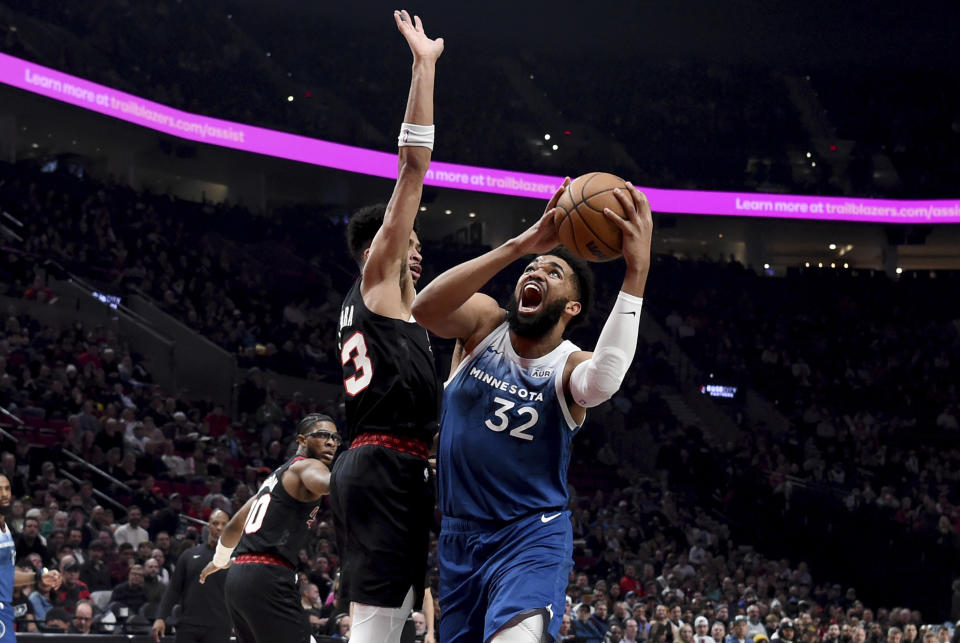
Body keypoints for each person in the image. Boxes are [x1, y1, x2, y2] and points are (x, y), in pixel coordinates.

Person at [412, 175, 652, 643]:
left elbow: (604, 381)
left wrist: (636, 273)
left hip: (530, 535)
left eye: (553, 272)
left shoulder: (570, 364)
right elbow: (425, 309)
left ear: (571, 307)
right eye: (531, 269)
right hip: (459, 536)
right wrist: (520, 246)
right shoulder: (484, 324)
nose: (536, 273)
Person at [330, 10, 443, 643]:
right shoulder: (378, 277)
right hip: (381, 464)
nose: (417, 250)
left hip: (389, 465)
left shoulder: (384, 309)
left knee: (394, 621)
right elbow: (411, 167)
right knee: (375, 628)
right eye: (411, 239)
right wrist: (422, 69)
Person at [199, 415, 339, 643]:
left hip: (238, 577)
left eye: (335, 437)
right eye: (323, 435)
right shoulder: (308, 466)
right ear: (302, 439)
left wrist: (220, 559)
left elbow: (235, 525)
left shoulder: (273, 479)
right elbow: (329, 483)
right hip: (269, 576)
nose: (331, 442)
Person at [152, 509, 232, 643]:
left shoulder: (235, 558)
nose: (219, 527)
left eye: (224, 524)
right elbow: (173, 589)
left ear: (229, 527)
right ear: (208, 526)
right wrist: (161, 617)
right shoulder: (189, 555)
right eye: (215, 523)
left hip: (219, 626)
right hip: (188, 625)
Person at [0, 474, 62, 643]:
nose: (4, 495)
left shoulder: (5, 533)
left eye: (7, 489)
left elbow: (7, 575)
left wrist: (37, 577)